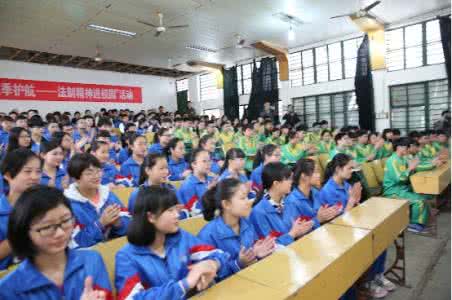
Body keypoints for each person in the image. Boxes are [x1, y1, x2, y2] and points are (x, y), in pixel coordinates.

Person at [114, 186, 232, 299]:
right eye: (170, 210)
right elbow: (131, 298)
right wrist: (185, 284)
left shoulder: (181, 237)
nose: (177, 215)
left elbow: (219, 254)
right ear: (151, 217)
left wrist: (211, 264)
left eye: (176, 209)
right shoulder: (127, 256)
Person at [0, 185, 112, 299]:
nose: (60, 233)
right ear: (24, 231)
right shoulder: (8, 289)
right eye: (47, 227)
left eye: (66, 220)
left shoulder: (92, 261)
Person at [198, 178, 275, 273]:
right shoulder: (207, 235)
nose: (248, 202)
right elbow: (209, 277)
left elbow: (252, 255)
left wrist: (256, 254)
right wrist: (238, 264)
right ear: (226, 204)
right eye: (243, 198)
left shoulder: (247, 223)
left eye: (247, 197)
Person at [65, 153, 131, 248]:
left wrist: (118, 223)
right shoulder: (69, 204)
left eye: (98, 171)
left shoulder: (107, 194)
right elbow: (74, 242)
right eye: (89, 173)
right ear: (76, 178)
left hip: (114, 247)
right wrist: (100, 224)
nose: (96, 176)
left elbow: (129, 222)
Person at [250, 162, 313, 246]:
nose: (292, 181)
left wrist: (302, 230)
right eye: (288, 179)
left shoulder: (289, 202)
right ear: (276, 184)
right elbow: (269, 247)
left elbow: (296, 230)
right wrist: (292, 234)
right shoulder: (258, 212)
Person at [0, 149, 42, 270]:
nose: (34, 177)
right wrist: (25, 231)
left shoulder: (44, 205)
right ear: (8, 175)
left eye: (38, 172)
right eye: (27, 171)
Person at [382, 138, 433, 233]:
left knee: (426, 194)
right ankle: (414, 225)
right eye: (406, 147)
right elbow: (399, 179)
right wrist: (410, 168)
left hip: (403, 188)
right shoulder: (392, 161)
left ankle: (419, 220)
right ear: (398, 147)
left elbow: (415, 168)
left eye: (408, 147)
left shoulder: (403, 158)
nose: (408, 149)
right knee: (419, 200)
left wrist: (430, 164)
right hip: (393, 191)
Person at [283, 158, 340, 230]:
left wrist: (329, 213)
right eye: (315, 172)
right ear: (304, 176)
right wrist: (318, 220)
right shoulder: (292, 201)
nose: (319, 175)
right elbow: (295, 232)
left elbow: (321, 214)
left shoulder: (315, 192)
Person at [178, 148, 215, 217]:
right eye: (204, 161)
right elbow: (195, 212)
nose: (209, 164)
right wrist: (208, 192)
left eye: (209, 160)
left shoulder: (212, 180)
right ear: (194, 164)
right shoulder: (188, 185)